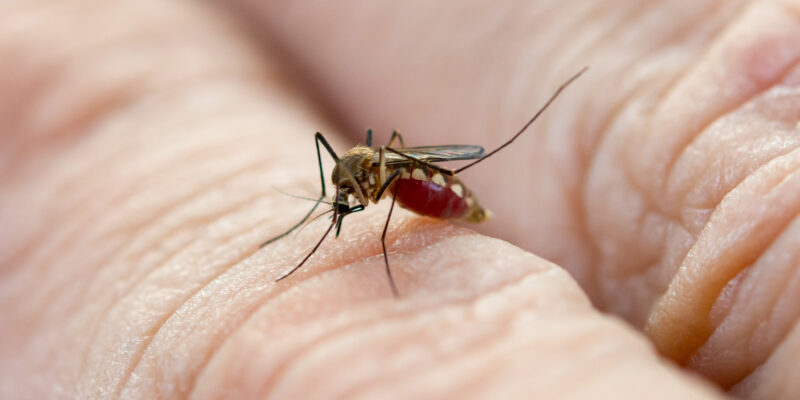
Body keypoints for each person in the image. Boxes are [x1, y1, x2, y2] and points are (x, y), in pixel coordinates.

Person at [1, 0, 797, 398]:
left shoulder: (382, 181)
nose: (341, 203)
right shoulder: (348, 179)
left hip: (427, 179)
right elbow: (342, 181)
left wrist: (382, 212)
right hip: (393, 176)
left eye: (343, 196)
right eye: (341, 197)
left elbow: (377, 180)